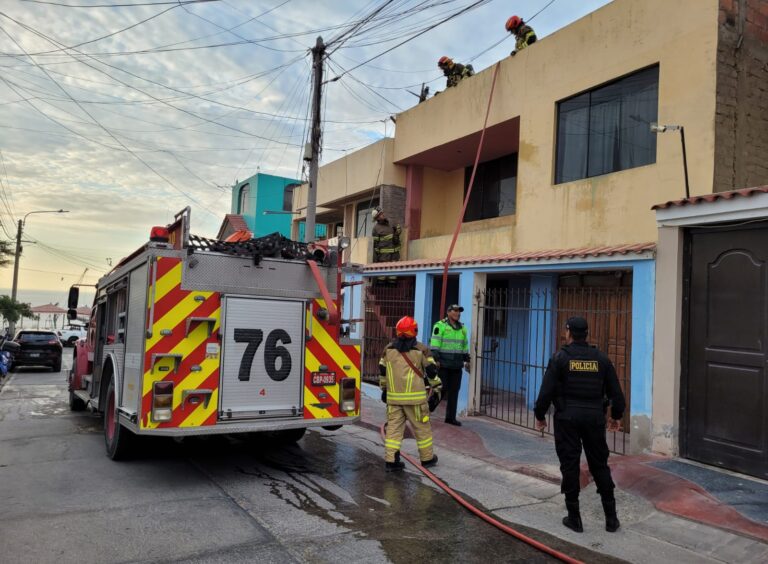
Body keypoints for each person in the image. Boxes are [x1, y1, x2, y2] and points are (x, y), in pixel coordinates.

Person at [534, 317, 626, 534]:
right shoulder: (601, 359)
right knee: (599, 464)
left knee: (570, 464)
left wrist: (540, 415)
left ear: (568, 332)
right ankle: (611, 519)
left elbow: (546, 392)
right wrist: (616, 415)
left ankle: (575, 519)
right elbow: (617, 395)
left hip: (567, 419)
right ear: (586, 333)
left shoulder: (560, 358)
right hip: (594, 418)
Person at [379, 316, 441, 472]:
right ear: (414, 331)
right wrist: (437, 389)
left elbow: (382, 372)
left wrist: (384, 389)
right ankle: (427, 459)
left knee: (393, 429)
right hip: (416, 401)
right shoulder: (421, 350)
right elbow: (432, 372)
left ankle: (391, 461)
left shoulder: (388, 350)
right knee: (422, 429)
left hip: (394, 400)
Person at [430, 304, 470, 426]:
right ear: (448, 312)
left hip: (457, 365)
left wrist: (466, 359)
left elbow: (464, 345)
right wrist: (436, 359)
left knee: (454, 391)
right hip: (444, 364)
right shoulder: (440, 326)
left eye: (459, 311)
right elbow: (435, 343)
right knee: (442, 388)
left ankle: (450, 417)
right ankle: (428, 409)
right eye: (455, 311)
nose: (458, 313)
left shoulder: (462, 328)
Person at [371, 206, 401, 286]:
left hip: (394, 256)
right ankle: (381, 293)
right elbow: (375, 245)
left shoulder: (390, 224)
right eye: (381, 214)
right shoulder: (376, 229)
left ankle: (392, 293)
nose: (383, 214)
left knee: (393, 276)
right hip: (383, 258)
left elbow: (396, 235)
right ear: (377, 217)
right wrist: (377, 260)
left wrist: (398, 231)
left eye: (382, 213)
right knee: (382, 277)